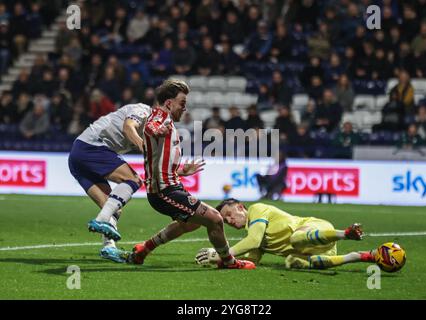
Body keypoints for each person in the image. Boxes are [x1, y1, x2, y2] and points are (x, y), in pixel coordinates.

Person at [128, 79, 255, 270]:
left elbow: (156, 160)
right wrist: (156, 129)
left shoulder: (166, 120)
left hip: (170, 187)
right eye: (182, 104)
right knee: (215, 218)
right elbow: (150, 127)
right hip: (164, 192)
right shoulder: (159, 118)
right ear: (169, 103)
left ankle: (143, 249)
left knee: (189, 223)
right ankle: (229, 262)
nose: (184, 108)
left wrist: (180, 171)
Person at [68, 101, 152, 262]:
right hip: (91, 147)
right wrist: (144, 147)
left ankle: (108, 247)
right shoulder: (143, 111)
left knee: (113, 208)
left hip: (77, 156)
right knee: (133, 179)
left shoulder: (153, 131)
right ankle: (99, 221)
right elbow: (128, 127)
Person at [195, 199, 376, 270]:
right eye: (225, 221)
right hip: (319, 250)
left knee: (295, 239)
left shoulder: (257, 210)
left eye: (229, 214)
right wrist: (221, 263)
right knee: (292, 261)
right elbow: (251, 262)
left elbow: (253, 241)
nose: (229, 220)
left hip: (315, 228)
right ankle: (356, 257)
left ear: (241, 207)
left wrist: (221, 253)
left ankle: (345, 234)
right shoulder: (253, 231)